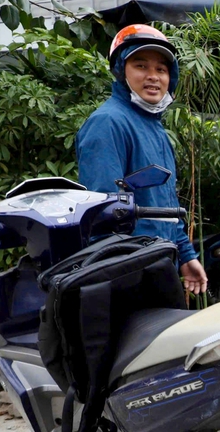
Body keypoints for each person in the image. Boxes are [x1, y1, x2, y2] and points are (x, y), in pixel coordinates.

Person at [76, 24, 207, 294]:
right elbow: (104, 213)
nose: (153, 77)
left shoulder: (155, 128)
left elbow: (166, 205)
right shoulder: (108, 122)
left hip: (160, 264)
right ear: (120, 70)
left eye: (161, 69)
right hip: (129, 274)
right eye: (141, 66)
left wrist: (186, 255)